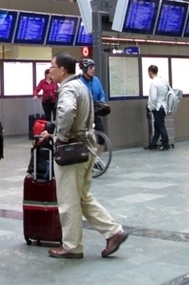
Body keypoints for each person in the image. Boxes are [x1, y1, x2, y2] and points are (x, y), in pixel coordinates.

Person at [43, 53, 128, 259]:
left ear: (63, 70)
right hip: (86, 148)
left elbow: (68, 111)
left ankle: (72, 246)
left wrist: (60, 136)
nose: (50, 70)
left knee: (68, 200)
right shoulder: (82, 85)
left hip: (71, 150)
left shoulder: (68, 88)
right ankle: (114, 232)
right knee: (82, 196)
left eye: (53, 66)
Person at [78, 59, 107, 132]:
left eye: (94, 67)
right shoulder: (79, 82)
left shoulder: (96, 80)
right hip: (85, 114)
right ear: (84, 69)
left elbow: (102, 94)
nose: (93, 69)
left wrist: (101, 103)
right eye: (90, 67)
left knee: (101, 132)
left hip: (95, 112)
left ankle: (100, 143)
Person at [146, 65, 170, 151]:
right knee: (157, 126)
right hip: (164, 106)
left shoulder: (154, 83)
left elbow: (153, 98)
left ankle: (165, 143)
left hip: (157, 107)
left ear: (150, 72)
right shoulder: (164, 81)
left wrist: (150, 107)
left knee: (161, 126)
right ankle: (152, 144)